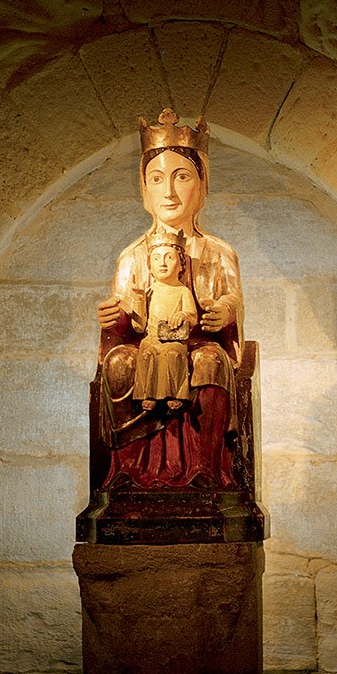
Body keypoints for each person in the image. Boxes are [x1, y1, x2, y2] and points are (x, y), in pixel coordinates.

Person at [95, 108, 242, 489]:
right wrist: (116, 317)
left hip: (198, 344)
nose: (170, 192)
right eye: (157, 179)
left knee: (210, 363)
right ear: (144, 189)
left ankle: (206, 470)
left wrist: (223, 312)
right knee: (118, 365)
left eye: (182, 176)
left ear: (203, 184)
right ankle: (128, 469)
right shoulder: (132, 255)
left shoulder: (217, 252)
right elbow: (127, 314)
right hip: (147, 344)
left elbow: (232, 300)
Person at [132, 230, 197, 412]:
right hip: (152, 337)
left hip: (174, 339)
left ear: (181, 264)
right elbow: (139, 326)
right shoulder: (149, 292)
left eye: (169, 257)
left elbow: (193, 318)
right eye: (156, 258)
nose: (162, 263)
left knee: (173, 353)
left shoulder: (183, 291)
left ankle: (175, 394)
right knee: (147, 352)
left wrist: (183, 315)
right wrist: (137, 303)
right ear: (149, 266)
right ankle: (147, 394)